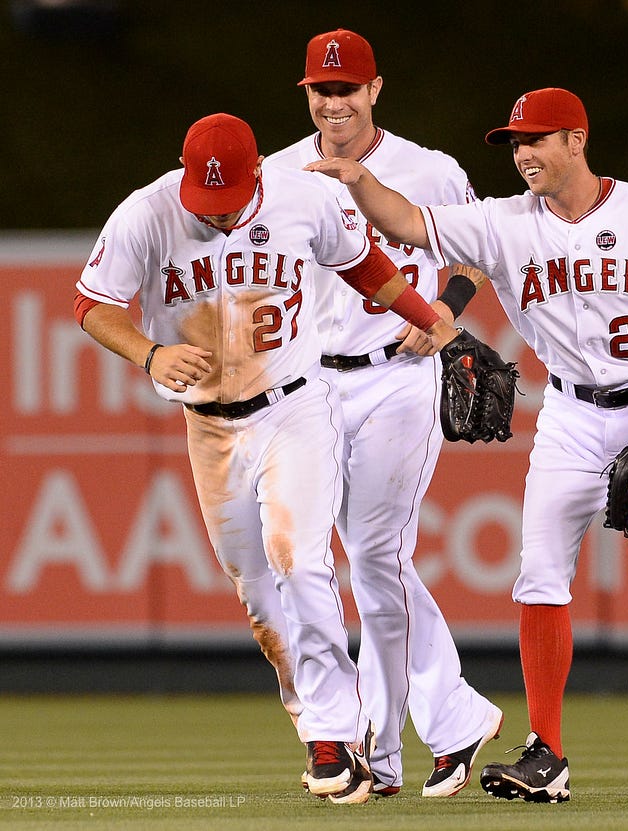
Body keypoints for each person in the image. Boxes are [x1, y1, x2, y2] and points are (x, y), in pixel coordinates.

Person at [303, 86, 628, 803]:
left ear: (576, 140)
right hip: (567, 411)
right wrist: (361, 181)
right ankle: (547, 753)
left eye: (537, 139)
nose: (524, 154)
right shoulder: (504, 223)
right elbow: (409, 222)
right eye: (514, 143)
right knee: (538, 575)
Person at [73, 112, 460, 805]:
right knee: (257, 593)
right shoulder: (148, 212)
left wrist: (435, 321)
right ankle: (320, 723)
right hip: (210, 426)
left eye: (228, 204)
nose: (217, 218)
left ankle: (335, 738)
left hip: (295, 405)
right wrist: (151, 352)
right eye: (205, 203)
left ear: (257, 172)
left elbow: (367, 267)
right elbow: (93, 304)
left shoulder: (299, 196)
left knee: (301, 559)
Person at [264, 29, 503, 798]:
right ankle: (458, 716)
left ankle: (387, 753)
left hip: (399, 375)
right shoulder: (277, 173)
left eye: (348, 88)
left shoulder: (428, 171)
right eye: (321, 90)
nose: (334, 101)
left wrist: (443, 306)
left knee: (372, 555)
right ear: (306, 94)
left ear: (375, 90)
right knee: (344, 559)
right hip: (313, 387)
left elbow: (478, 252)